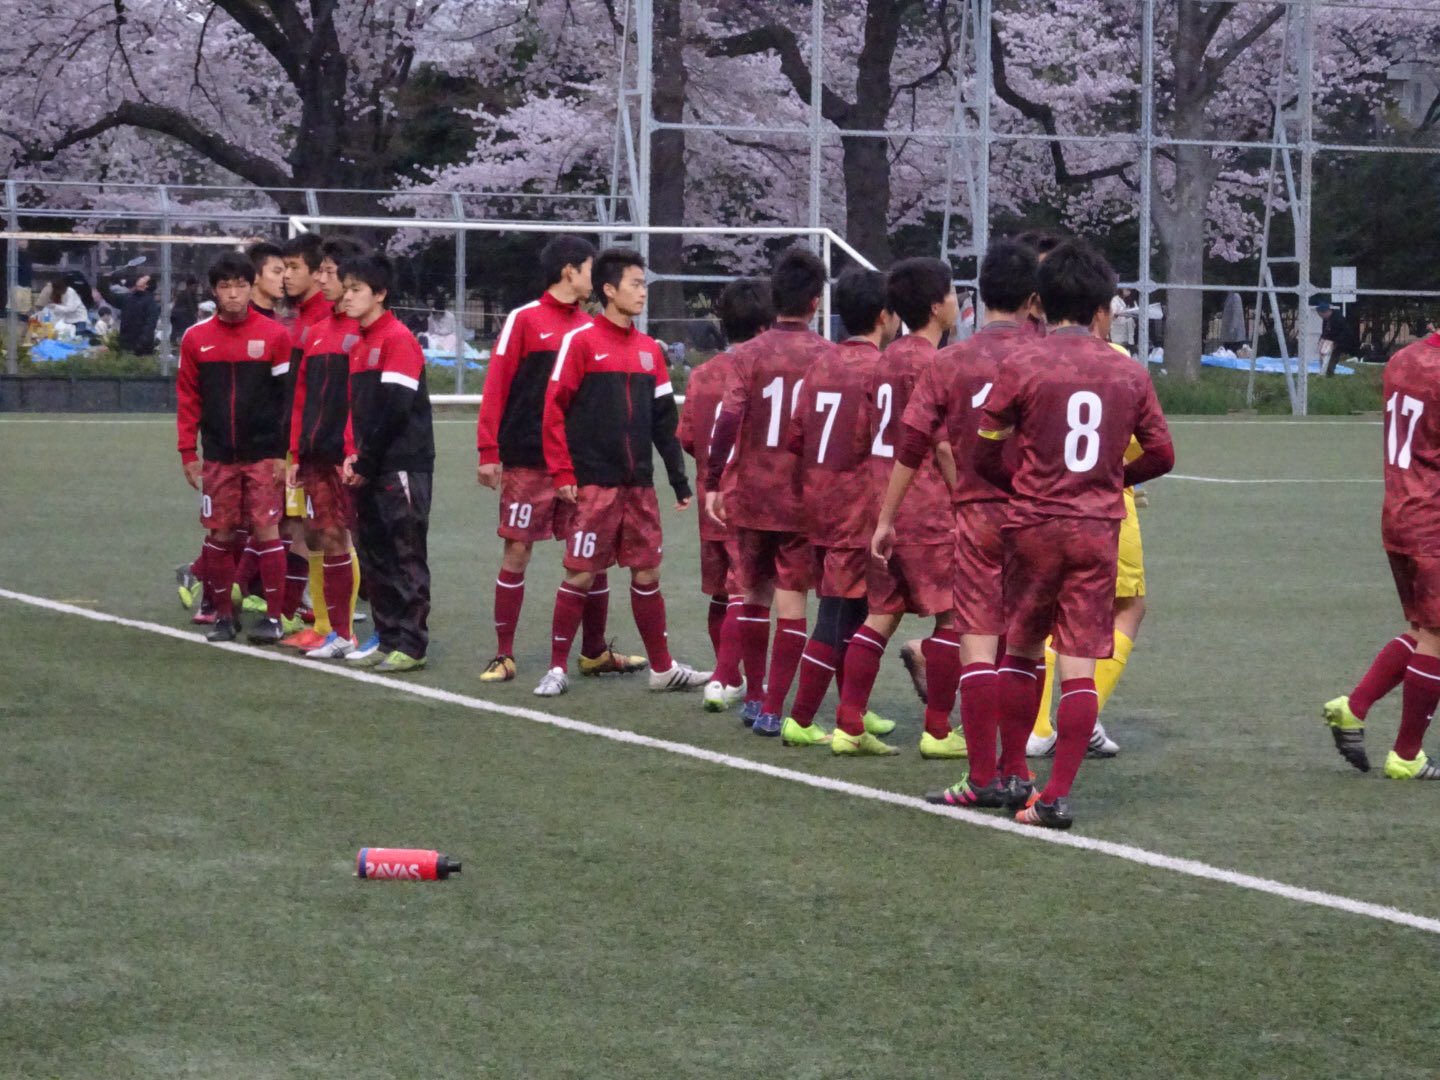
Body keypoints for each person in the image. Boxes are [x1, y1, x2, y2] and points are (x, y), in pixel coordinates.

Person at [975, 240, 1175, 830]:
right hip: (1096, 527)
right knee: (1080, 662)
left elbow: (983, 449)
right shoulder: (1127, 369)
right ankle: (1056, 795)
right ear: (1102, 305)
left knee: (1021, 648)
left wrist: (1018, 482)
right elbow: (1162, 453)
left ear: (1039, 302)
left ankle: (1016, 772)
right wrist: (1113, 479)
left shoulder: (1022, 363)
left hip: (1034, 522)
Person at [872, 239, 1040, 806]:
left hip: (975, 518)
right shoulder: (1050, 357)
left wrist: (887, 518)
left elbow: (911, 444)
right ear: (1033, 297)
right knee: (1025, 648)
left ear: (976, 296)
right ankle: (1019, 772)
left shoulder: (949, 362)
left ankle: (983, 776)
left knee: (977, 644)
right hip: (1040, 518)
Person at [535, 248, 709, 698]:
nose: (642, 293)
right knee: (580, 573)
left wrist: (678, 479)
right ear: (609, 290)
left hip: (639, 488)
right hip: (593, 485)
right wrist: (562, 472)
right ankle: (556, 668)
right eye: (635, 284)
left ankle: (663, 668)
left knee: (647, 573)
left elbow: (664, 424)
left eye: (644, 284)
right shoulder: (582, 342)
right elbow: (553, 411)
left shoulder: (651, 352)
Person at [476, 236, 643, 684]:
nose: (596, 279)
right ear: (570, 271)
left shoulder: (591, 326)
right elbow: (497, 384)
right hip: (528, 459)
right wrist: (488, 451)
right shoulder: (524, 320)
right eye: (591, 269)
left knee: (593, 556)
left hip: (582, 463)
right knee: (517, 549)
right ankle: (504, 654)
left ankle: (593, 652)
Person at [822, 258, 962, 758]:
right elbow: (940, 444)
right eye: (950, 294)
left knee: (880, 615)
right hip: (924, 508)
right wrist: (962, 496)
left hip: (883, 504)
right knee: (952, 619)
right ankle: (940, 730)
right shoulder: (932, 362)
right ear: (934, 305)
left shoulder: (885, 359)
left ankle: (849, 722)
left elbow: (863, 436)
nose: (955, 303)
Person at [704, 248, 832, 736]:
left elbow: (729, 417)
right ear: (816, 303)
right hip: (802, 497)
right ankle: (777, 705)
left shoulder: (747, 356)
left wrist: (715, 479)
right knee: (793, 599)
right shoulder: (827, 356)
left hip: (754, 491)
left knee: (752, 594)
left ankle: (755, 696)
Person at [779, 268, 898, 751]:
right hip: (857, 503)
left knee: (853, 607)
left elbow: (795, 436)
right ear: (885, 316)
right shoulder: (878, 370)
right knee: (841, 611)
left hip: (820, 500)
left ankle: (852, 708)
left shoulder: (821, 365)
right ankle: (806, 717)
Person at [1323, 324, 1440, 780]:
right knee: (1435, 637)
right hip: (1432, 517)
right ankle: (1407, 756)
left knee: (1422, 629)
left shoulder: (1402, 360)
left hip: (1400, 508)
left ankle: (1354, 707)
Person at [174, 252, 294, 645]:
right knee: (220, 534)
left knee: (266, 531)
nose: (233, 294)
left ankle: (274, 618)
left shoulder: (276, 336)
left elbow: (286, 400)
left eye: (240, 285)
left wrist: (282, 452)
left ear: (251, 286)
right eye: (225, 287)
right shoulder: (196, 338)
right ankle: (223, 614)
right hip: (219, 456)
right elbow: (188, 398)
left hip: (263, 455)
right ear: (214, 292)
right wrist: (188, 453)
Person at [678, 277, 774, 714]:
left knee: (722, 593)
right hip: (747, 499)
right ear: (764, 326)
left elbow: (686, 438)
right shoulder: (763, 372)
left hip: (709, 498)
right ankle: (723, 678)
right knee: (745, 594)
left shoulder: (702, 375)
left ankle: (728, 674)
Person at [340, 254, 435, 673]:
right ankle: (388, 635)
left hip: (401, 463)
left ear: (380, 294)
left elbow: (395, 410)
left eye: (356, 289)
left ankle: (412, 644)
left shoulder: (398, 339)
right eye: (345, 289)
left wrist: (367, 459)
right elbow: (357, 411)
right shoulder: (359, 344)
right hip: (371, 463)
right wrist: (352, 455)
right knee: (375, 553)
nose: (347, 297)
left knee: (405, 551)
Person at [285, 235, 369, 658]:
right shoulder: (317, 332)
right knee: (319, 536)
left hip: (344, 456)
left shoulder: (362, 334)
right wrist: (297, 454)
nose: (322, 279)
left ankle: (343, 632)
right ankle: (325, 627)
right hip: (314, 455)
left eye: (329, 273)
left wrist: (353, 448)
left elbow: (361, 400)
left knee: (338, 537)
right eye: (320, 271)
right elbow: (302, 398)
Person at [118, 274, 159, 356]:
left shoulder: (150, 302)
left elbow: (150, 324)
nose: (140, 278)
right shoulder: (129, 298)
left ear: (147, 285)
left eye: (144, 278)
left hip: (141, 345)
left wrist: (142, 341)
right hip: (127, 341)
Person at [248, 242, 287, 320]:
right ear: (255, 276)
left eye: (285, 272)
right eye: (277, 272)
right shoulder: (237, 320)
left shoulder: (285, 322)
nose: (285, 277)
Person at [1318, 301, 1357, 378]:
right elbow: (1325, 332)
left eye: (1321, 314)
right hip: (1330, 340)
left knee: (1333, 356)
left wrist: (1335, 343)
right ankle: (1323, 371)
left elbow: (1342, 332)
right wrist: (1321, 342)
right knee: (1324, 355)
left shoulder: (1337, 318)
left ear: (1326, 312)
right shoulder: (1326, 319)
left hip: (1341, 339)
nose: (1321, 317)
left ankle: (1329, 373)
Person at [170, 276, 200, 341]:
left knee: (176, 334)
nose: (196, 288)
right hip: (183, 318)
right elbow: (191, 306)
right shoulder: (189, 294)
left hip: (177, 316)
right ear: (191, 285)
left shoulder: (183, 293)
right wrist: (195, 315)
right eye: (195, 286)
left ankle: (174, 343)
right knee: (183, 334)